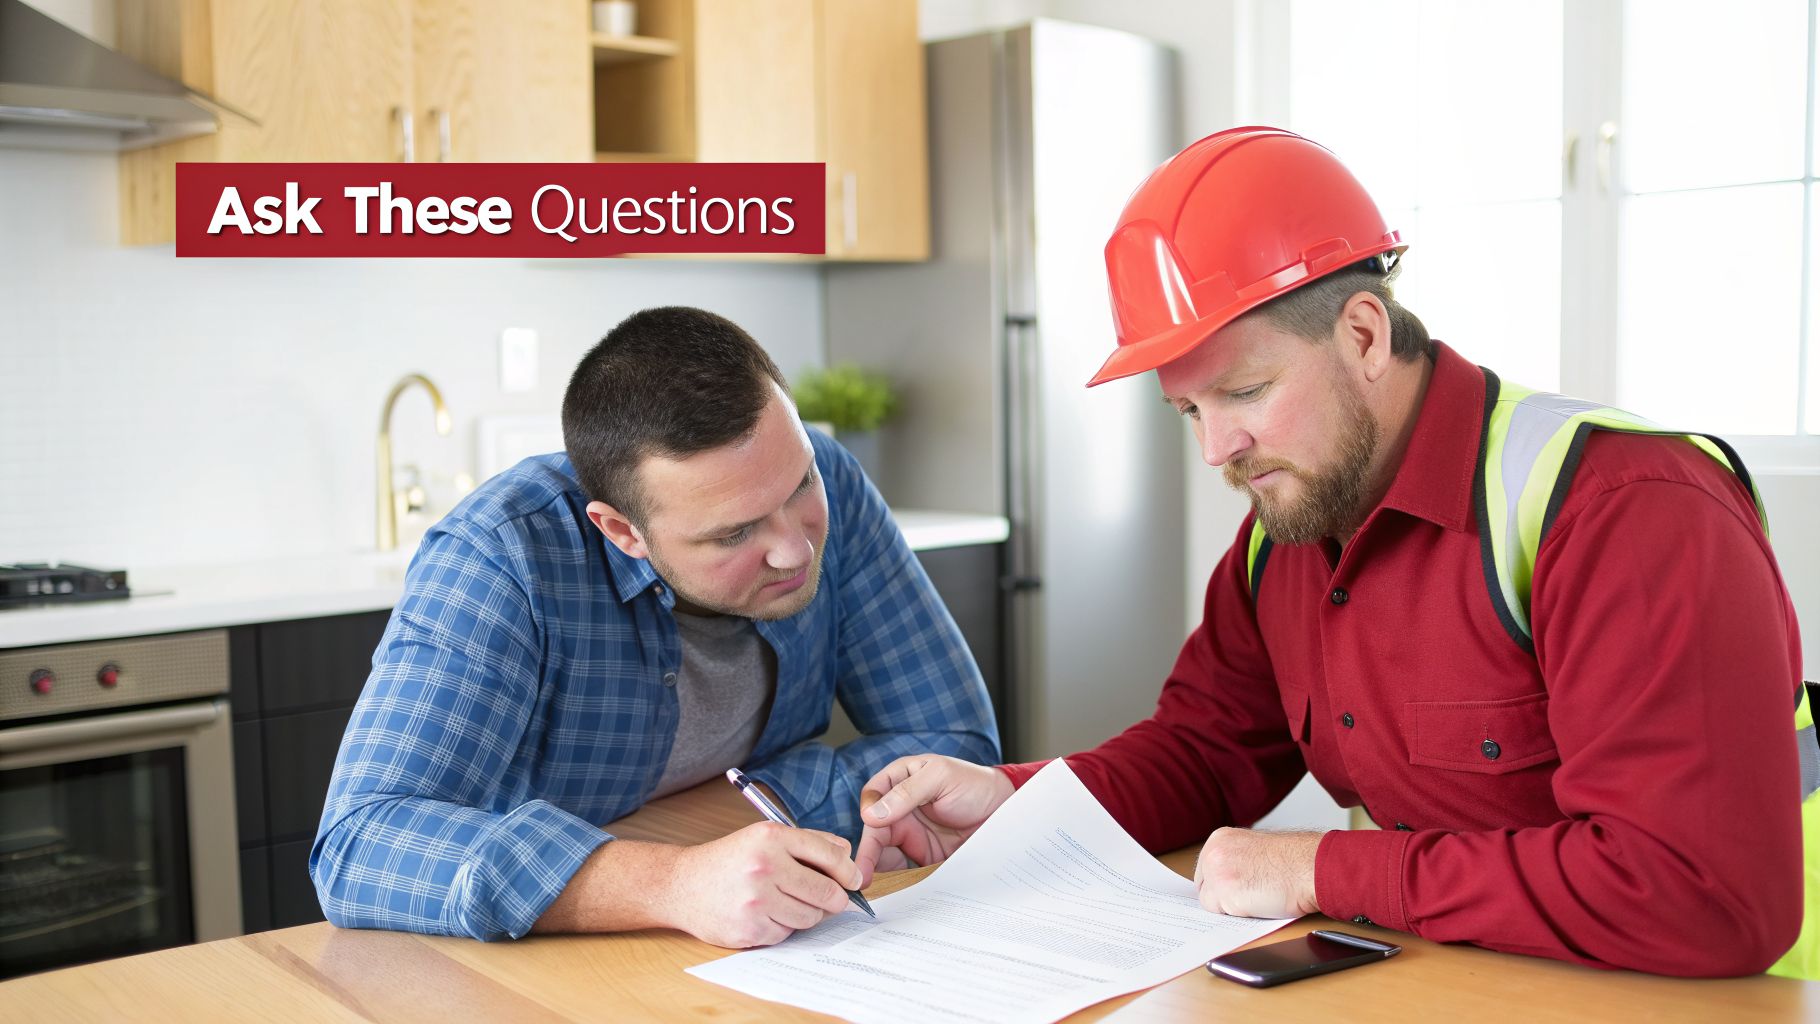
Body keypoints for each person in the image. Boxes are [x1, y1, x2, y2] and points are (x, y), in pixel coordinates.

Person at [855, 127, 1813, 978]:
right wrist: (1014, 803)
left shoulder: (1624, 510)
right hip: (1482, 977)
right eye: (1188, 409)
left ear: (1363, 333)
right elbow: (1207, 751)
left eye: (1244, 392)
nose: (1214, 449)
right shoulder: (1292, 532)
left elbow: (1704, 895)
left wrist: (1318, 866)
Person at [312, 306, 999, 948]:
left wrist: (783, 800)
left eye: (798, 489)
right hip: (545, 962)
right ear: (621, 530)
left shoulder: (835, 481)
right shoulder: (501, 555)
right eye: (734, 533)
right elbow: (359, 843)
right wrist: (672, 882)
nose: (794, 549)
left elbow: (953, 748)